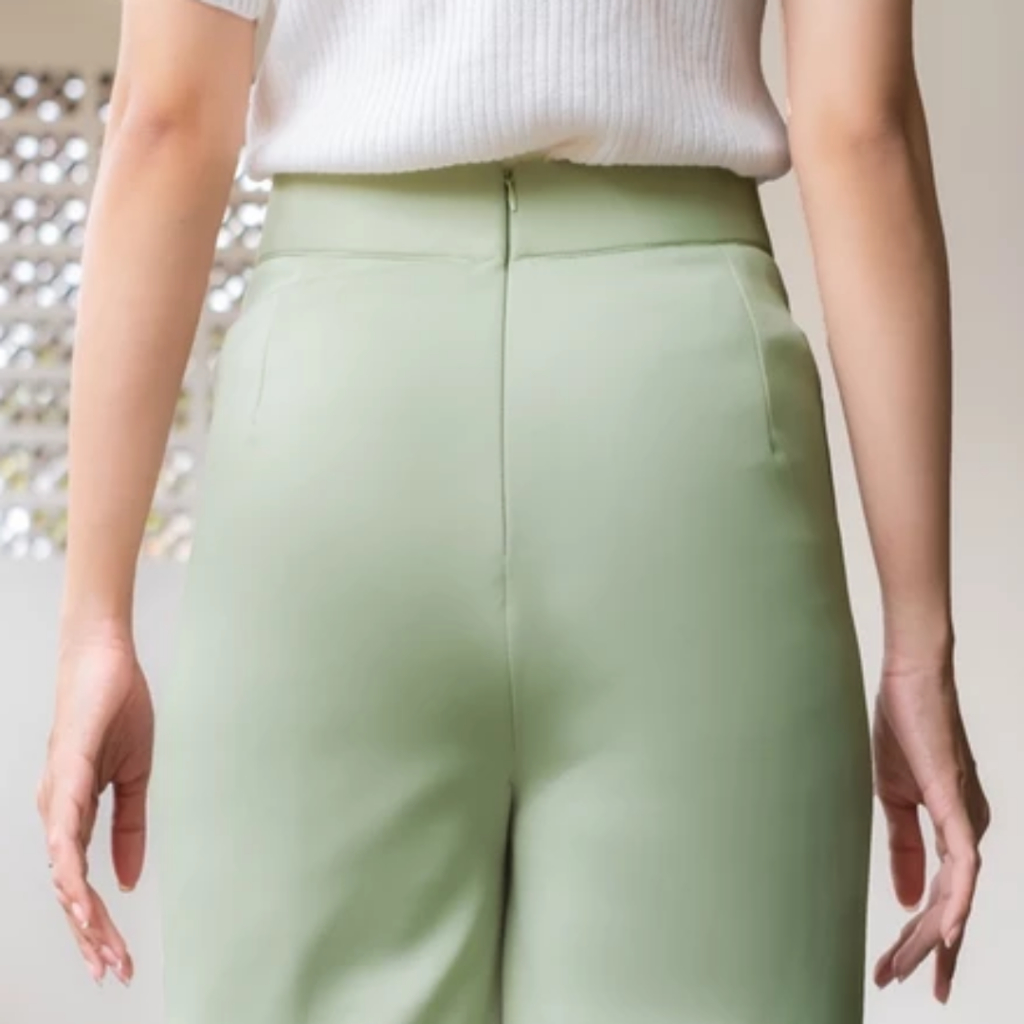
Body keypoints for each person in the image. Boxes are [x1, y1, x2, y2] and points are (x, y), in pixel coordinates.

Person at [37, 0, 990, 1020]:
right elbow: (859, 126)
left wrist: (97, 625)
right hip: (680, 419)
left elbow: (170, 119)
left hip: (337, 415)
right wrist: (917, 645)